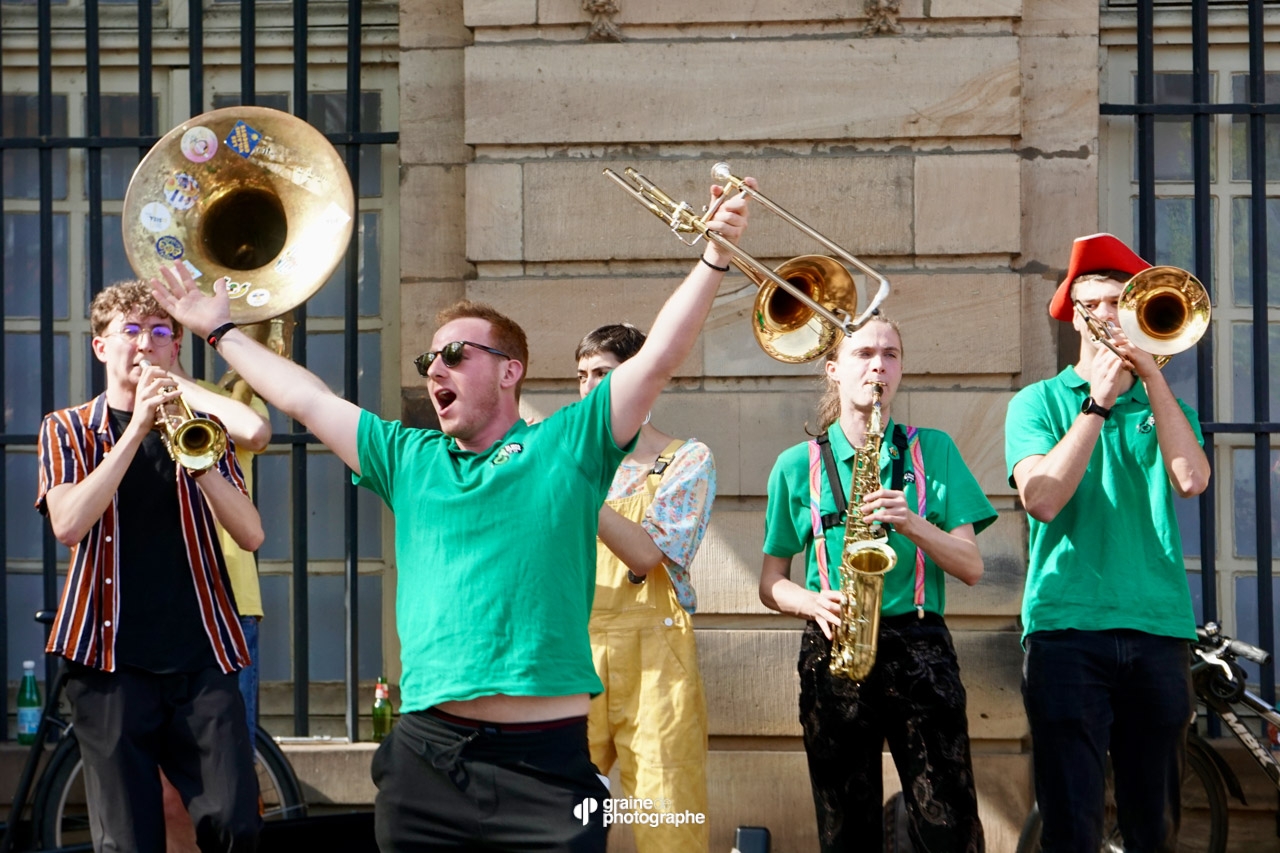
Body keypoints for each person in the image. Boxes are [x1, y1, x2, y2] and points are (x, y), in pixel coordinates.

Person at [150, 178, 752, 853]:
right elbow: (306, 398)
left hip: (548, 770)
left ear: (510, 371)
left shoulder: (566, 445)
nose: (437, 366)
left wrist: (714, 254)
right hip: (427, 764)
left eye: (457, 353)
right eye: (429, 358)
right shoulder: (408, 456)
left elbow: (661, 353)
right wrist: (222, 330)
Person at [36, 280, 264, 853]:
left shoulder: (204, 428)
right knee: (128, 841)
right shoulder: (66, 429)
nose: (145, 344)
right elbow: (68, 524)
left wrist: (197, 456)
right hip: (109, 664)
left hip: (202, 660)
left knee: (237, 824)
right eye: (131, 332)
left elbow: (252, 532)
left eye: (161, 333)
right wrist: (136, 429)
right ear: (100, 347)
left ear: (176, 349)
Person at [1005, 233, 1210, 853]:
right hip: (1067, 628)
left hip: (1158, 627)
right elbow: (1041, 498)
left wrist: (1148, 375)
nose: (1110, 315)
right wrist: (1096, 404)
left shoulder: (1163, 401)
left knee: (1156, 825)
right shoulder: (1036, 402)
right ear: (1072, 314)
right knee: (1072, 824)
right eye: (1094, 303)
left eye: (1123, 302)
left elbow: (1192, 478)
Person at [759, 315, 995, 853]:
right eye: (864, 354)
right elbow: (771, 582)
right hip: (835, 645)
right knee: (845, 827)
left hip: (920, 648)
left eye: (890, 354)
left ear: (901, 370)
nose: (877, 366)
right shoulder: (797, 465)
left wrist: (913, 523)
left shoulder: (932, 449)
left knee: (949, 824)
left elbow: (972, 567)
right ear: (834, 369)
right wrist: (809, 601)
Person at [575, 323, 715, 853]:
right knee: (558, 816)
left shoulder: (685, 459)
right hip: (570, 652)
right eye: (581, 376)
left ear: (642, 380)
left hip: (656, 664)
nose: (589, 388)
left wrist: (574, 484)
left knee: (667, 818)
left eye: (603, 374)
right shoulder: (562, 458)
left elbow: (645, 553)